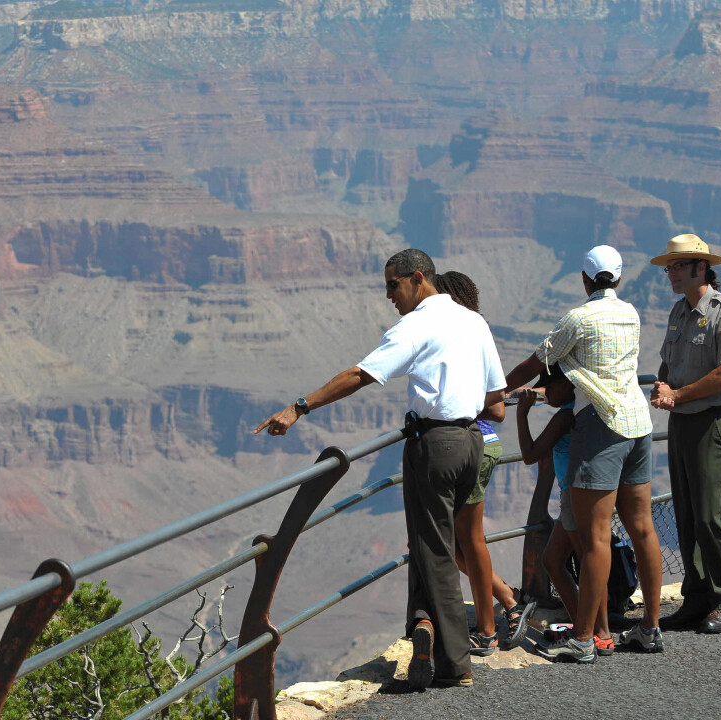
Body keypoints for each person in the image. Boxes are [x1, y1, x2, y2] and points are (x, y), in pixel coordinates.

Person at [254, 250, 505, 689]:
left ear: (418, 278)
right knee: (433, 546)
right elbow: (496, 397)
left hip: (437, 445)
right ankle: (423, 628)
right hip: (472, 442)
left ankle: (456, 664)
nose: (388, 295)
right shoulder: (472, 320)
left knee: (438, 554)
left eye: (393, 285)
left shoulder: (420, 323)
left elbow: (361, 374)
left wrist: (300, 407)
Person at [503, 245, 662, 662]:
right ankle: (650, 628)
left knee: (593, 540)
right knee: (643, 528)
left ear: (584, 279)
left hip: (601, 427)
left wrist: (497, 389)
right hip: (639, 425)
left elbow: (535, 364)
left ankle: (585, 639)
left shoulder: (578, 318)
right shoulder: (631, 312)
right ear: (620, 278)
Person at [649, 234, 721, 634]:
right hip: (681, 423)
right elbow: (666, 364)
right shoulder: (679, 312)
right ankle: (695, 598)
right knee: (686, 514)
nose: (669, 273)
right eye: (668, 267)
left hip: (711, 423)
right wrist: (662, 387)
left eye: (676, 266)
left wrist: (677, 394)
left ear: (700, 268)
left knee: (709, 515)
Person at [432, 271, 532, 654]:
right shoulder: (474, 332)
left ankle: (489, 628)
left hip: (472, 445)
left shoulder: (462, 334)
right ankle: (508, 599)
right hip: (476, 446)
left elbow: (495, 408)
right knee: (459, 547)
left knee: (469, 543)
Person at [509, 365, 612, 655]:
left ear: (567, 386)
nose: (546, 393)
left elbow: (530, 454)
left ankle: (599, 633)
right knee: (554, 560)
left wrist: (521, 415)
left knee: (586, 562)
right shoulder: (578, 409)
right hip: (575, 493)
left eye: (550, 388)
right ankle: (586, 624)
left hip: (574, 496)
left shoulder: (566, 416)